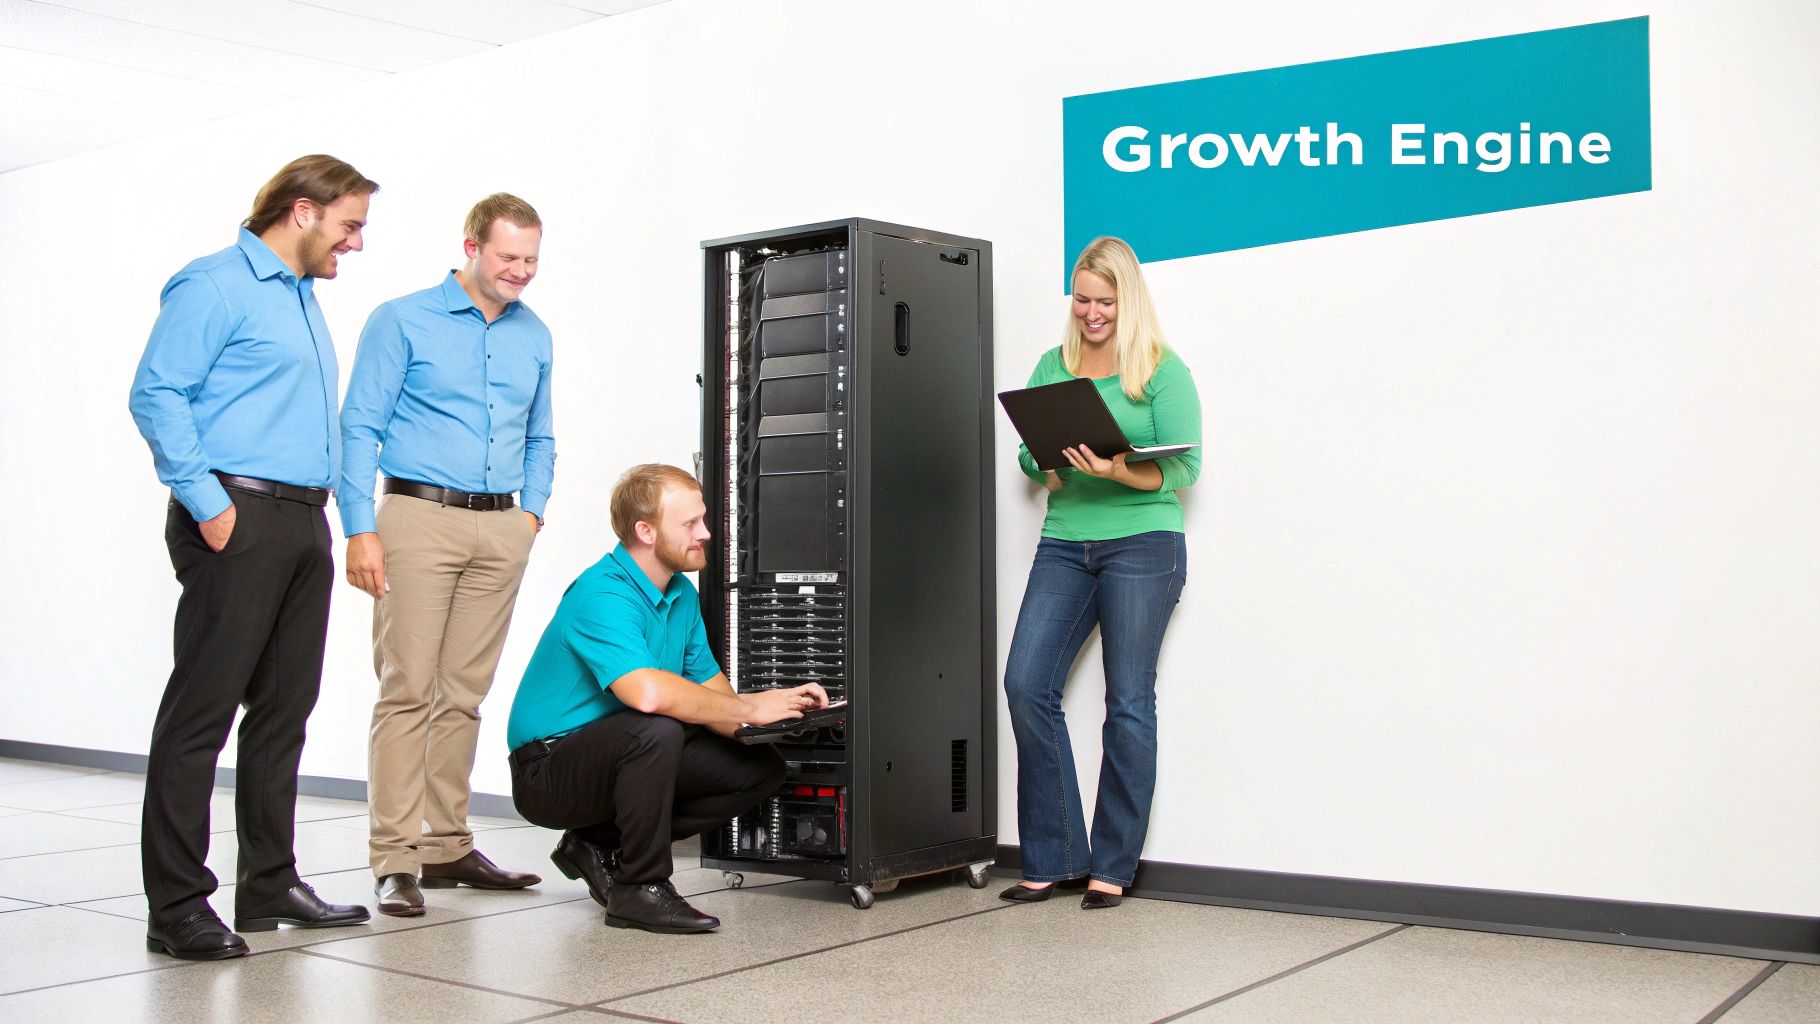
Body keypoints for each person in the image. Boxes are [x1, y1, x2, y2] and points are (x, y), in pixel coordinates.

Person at [127, 155, 379, 959]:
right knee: (201, 714)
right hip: (236, 515)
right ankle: (177, 906)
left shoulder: (304, 300)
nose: (357, 243)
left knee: (282, 712)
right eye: (350, 226)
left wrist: (342, 517)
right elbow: (156, 391)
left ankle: (268, 882)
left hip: (302, 520)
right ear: (302, 212)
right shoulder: (215, 285)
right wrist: (209, 507)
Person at [339, 194, 556, 916]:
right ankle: (395, 858)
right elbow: (359, 426)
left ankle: (447, 847)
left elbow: (540, 435)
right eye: (508, 257)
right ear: (470, 246)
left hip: (501, 529)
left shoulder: (535, 336)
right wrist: (359, 528)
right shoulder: (402, 319)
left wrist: (531, 512)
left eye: (530, 258)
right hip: (416, 518)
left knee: (463, 695)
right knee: (408, 690)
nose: (521, 271)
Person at [505, 464, 825, 933]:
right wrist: (747, 709)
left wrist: (778, 708)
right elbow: (648, 694)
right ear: (645, 531)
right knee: (656, 727)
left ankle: (597, 842)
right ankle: (639, 888)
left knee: (757, 768)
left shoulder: (679, 595)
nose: (707, 533)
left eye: (703, 520)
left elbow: (716, 699)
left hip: (626, 749)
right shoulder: (601, 593)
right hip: (548, 770)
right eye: (691, 524)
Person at [999, 236, 1201, 910]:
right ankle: (1052, 856)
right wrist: (1047, 460)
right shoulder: (1052, 365)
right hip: (1065, 542)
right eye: (1082, 299)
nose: (1091, 312)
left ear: (1128, 299)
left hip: (1143, 544)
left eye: (1105, 301)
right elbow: (1033, 461)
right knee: (1026, 684)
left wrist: (1117, 468)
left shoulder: (1161, 370)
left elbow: (1184, 469)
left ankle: (1112, 866)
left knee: (1128, 703)